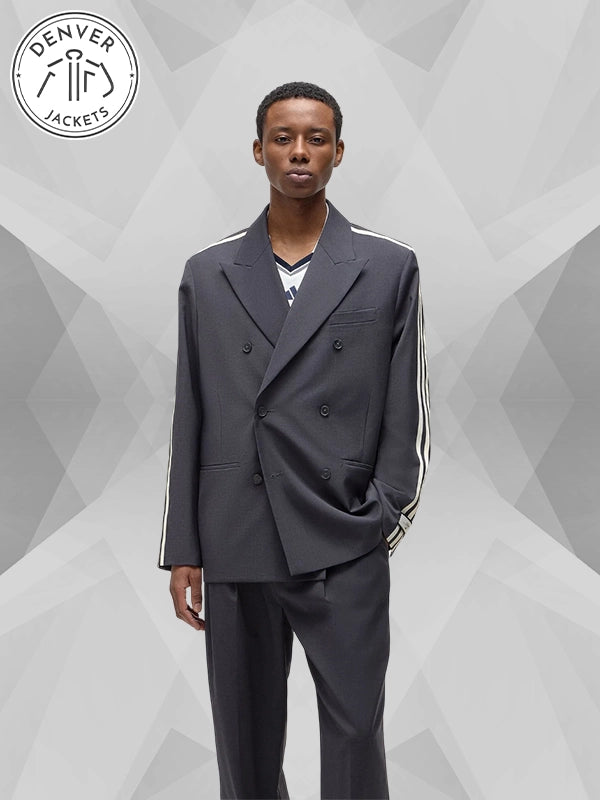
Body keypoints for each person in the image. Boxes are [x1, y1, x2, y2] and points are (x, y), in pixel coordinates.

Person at [158, 80, 431, 799]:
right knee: (244, 745)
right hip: (237, 531)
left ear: (339, 152)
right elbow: (191, 412)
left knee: (355, 734)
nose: (299, 152)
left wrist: (380, 521)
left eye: (316, 138)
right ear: (259, 151)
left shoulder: (387, 265)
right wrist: (184, 547)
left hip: (341, 532)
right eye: (283, 138)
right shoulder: (208, 272)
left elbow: (408, 409)